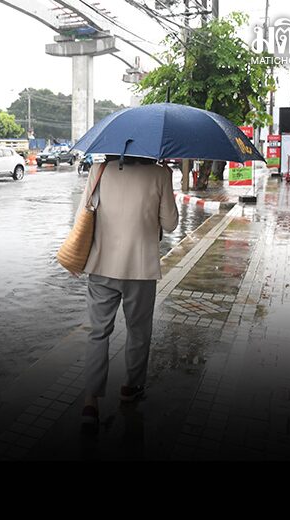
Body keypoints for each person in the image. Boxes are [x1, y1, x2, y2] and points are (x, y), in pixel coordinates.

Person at [75, 154, 179, 427]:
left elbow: (83, 213)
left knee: (98, 333)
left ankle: (90, 403)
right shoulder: (160, 174)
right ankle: (130, 388)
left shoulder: (99, 169)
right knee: (138, 332)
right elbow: (170, 225)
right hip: (140, 269)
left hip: (100, 266)